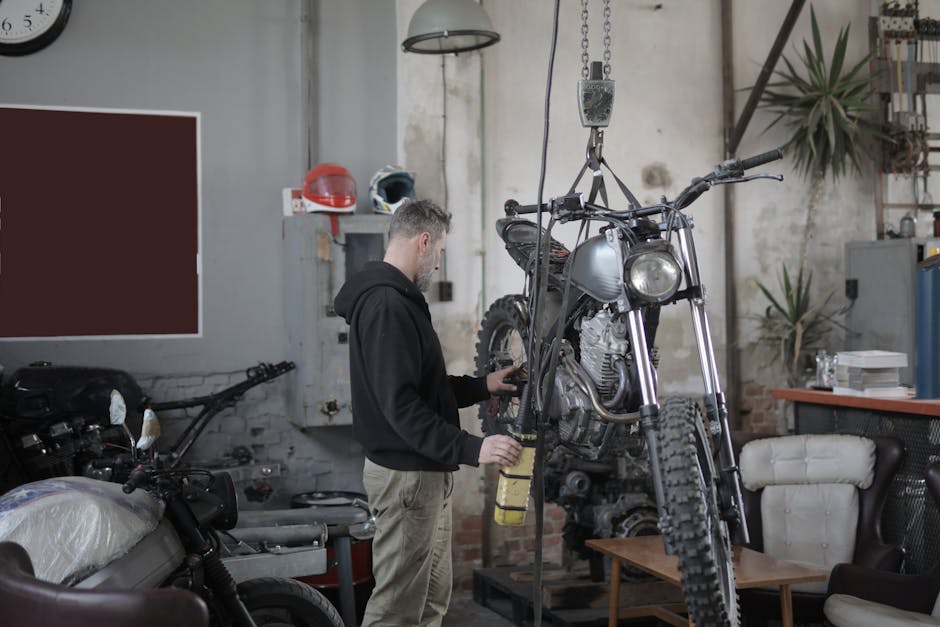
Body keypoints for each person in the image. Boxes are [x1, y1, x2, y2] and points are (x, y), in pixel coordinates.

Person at [333, 199, 523, 627]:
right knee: (396, 611)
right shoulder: (387, 304)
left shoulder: (395, 300)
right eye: (439, 251)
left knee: (431, 601)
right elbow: (401, 407)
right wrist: (475, 447)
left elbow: (422, 390)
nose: (438, 263)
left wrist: (482, 385)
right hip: (408, 479)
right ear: (423, 242)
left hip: (423, 475)